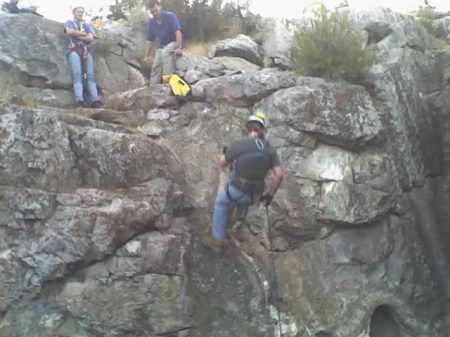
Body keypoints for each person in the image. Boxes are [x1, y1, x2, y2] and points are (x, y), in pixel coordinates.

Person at [203, 112, 285, 252]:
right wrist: (269, 197)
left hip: (236, 190)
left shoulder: (239, 144)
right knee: (241, 203)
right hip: (255, 195)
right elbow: (279, 176)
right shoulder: (270, 148)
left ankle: (217, 240)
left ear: (247, 129)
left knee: (222, 203)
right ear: (262, 130)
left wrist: (227, 153)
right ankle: (228, 227)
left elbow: (222, 164)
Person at [64, 6, 102, 108]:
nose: (80, 14)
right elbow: (68, 31)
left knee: (90, 76)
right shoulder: (69, 22)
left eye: (82, 12)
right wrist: (83, 34)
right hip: (74, 50)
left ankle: (95, 100)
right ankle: (79, 101)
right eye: (78, 12)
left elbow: (90, 39)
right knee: (77, 75)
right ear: (74, 13)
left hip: (85, 51)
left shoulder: (85, 25)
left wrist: (76, 34)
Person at [144, 0, 183, 85]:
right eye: (152, 12)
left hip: (174, 42)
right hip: (162, 45)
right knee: (156, 64)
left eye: (156, 10)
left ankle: (167, 83)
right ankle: (153, 88)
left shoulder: (170, 16)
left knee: (165, 53)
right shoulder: (151, 23)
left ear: (160, 7)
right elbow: (149, 40)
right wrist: (147, 55)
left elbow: (178, 33)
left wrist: (179, 47)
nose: (154, 13)